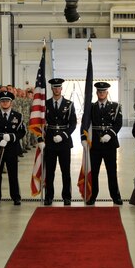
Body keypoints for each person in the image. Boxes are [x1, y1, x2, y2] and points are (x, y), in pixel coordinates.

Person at [41, 78, 78, 206]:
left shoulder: (69, 104)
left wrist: (64, 135)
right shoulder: (45, 104)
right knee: (50, 171)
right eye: (54, 88)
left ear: (61, 89)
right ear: (51, 89)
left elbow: (73, 123)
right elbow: (40, 123)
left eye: (58, 88)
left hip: (64, 142)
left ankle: (67, 196)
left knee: (65, 171)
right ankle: (49, 196)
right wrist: (40, 139)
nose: (56, 90)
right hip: (50, 141)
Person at [0, 90, 26, 205]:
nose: (4, 103)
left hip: (12, 148)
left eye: (7, 101)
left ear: (11, 103)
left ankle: (16, 197)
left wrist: (12, 136)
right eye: (2, 101)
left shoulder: (18, 116)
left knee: (13, 174)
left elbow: (22, 132)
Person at [87, 82, 123, 206]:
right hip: (96, 144)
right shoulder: (91, 107)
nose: (101, 93)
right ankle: (92, 196)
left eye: (103, 91)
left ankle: (115, 196)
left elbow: (118, 123)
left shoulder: (115, 106)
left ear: (107, 93)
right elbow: (86, 123)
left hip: (110, 144)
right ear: (96, 93)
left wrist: (110, 134)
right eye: (99, 92)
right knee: (94, 172)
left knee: (112, 171)